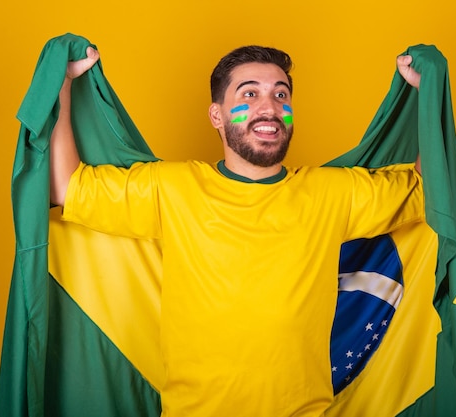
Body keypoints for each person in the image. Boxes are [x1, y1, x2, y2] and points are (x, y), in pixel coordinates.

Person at [50, 44, 424, 417]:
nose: (270, 107)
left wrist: (427, 91)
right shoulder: (172, 188)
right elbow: (66, 189)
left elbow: (428, 189)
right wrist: (62, 82)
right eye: (250, 93)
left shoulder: (334, 192)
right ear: (217, 114)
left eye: (281, 94)